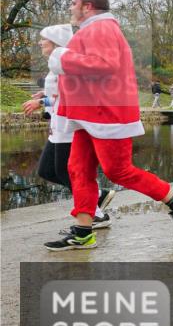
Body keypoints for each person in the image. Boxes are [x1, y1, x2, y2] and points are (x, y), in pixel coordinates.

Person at [44, 0, 173, 250]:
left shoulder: (101, 29)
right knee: (78, 170)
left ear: (87, 6)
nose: (70, 8)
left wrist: (61, 57)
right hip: (89, 114)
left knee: (118, 171)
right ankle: (83, 231)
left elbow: (105, 65)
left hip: (107, 113)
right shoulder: (93, 29)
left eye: (73, 3)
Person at [21, 24, 114, 236]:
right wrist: (45, 93)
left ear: (55, 41)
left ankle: (96, 214)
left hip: (69, 128)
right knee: (46, 170)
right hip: (58, 127)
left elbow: (70, 93)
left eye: (43, 38)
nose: (40, 42)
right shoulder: (56, 62)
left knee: (66, 172)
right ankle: (97, 194)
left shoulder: (67, 62)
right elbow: (60, 90)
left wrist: (43, 100)